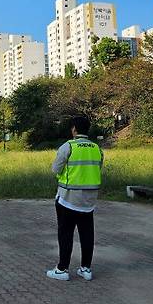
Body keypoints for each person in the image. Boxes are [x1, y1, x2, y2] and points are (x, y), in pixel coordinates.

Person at [46, 115, 103, 282]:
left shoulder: (68, 147)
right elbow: (97, 168)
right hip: (89, 201)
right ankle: (86, 269)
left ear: (73, 129)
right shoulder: (96, 148)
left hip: (68, 198)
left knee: (65, 233)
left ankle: (62, 269)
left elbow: (55, 169)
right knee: (87, 234)